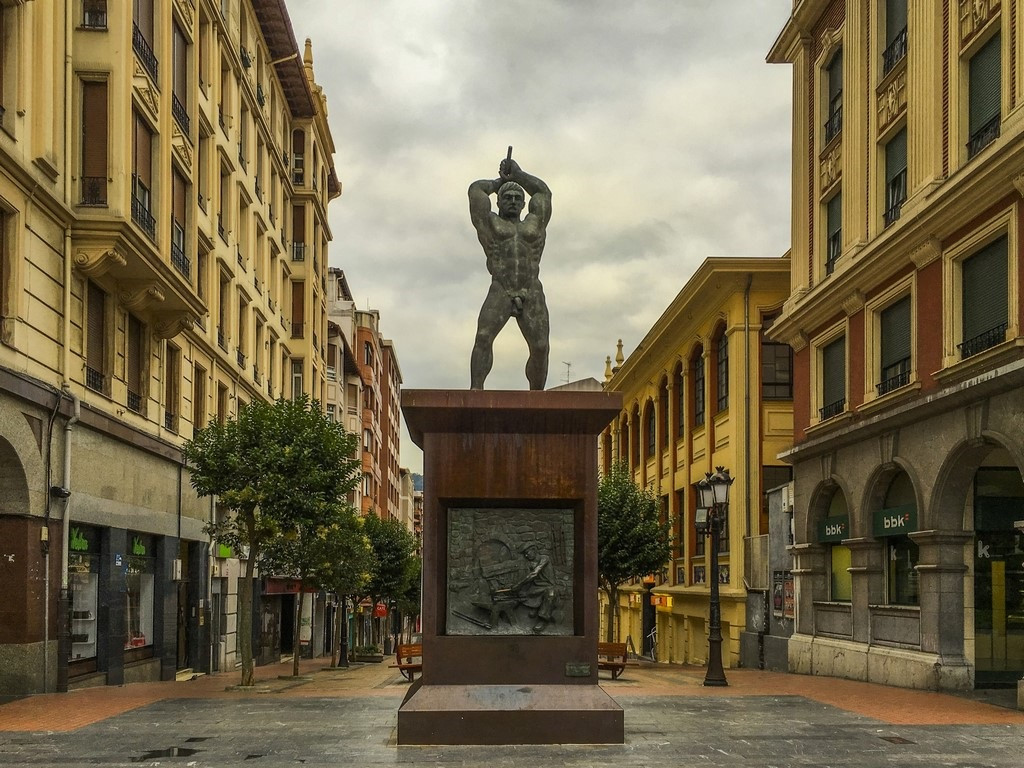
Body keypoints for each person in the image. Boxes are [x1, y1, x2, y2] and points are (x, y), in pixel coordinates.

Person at [468, 154, 552, 390]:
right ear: (498, 202)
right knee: (483, 338)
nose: (513, 201)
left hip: (531, 288)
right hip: (502, 288)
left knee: (540, 347)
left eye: (518, 198)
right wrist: (498, 183)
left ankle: (536, 394)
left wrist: (518, 175)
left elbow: (544, 193)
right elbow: (475, 191)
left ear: (524, 204)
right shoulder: (490, 224)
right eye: (508, 197)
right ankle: (476, 390)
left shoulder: (535, 223)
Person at [513, 543, 557, 632]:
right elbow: (530, 578)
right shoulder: (530, 564)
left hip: (548, 586)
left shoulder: (544, 558)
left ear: (534, 550)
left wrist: (519, 584)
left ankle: (543, 619)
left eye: (527, 552)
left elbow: (534, 574)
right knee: (521, 594)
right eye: (524, 554)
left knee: (550, 594)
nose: (526, 555)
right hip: (536, 587)